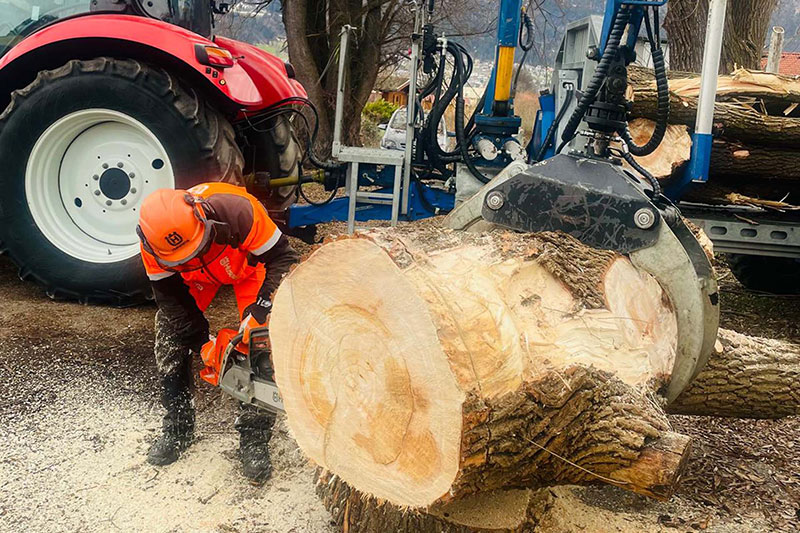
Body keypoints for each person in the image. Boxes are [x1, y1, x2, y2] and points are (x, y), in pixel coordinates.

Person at [136, 182, 299, 482]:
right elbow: (173, 302)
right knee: (170, 332)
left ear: (202, 216)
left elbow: (284, 259)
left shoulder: (238, 210)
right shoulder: (151, 246)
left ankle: (254, 436)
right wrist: (202, 344)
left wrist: (260, 310)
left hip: (249, 270)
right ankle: (177, 427)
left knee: (260, 338)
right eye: (179, 257)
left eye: (194, 248)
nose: (187, 255)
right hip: (197, 279)